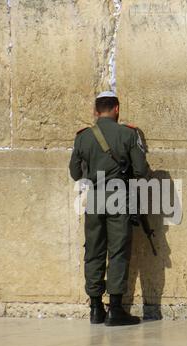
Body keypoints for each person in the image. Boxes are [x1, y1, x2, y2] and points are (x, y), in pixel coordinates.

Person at [69, 91, 150, 326]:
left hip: (93, 198)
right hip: (119, 198)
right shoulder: (127, 134)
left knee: (93, 249)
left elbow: (75, 173)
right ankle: (115, 309)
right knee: (118, 251)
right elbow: (141, 170)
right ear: (117, 109)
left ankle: (95, 308)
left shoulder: (82, 138)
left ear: (96, 111)